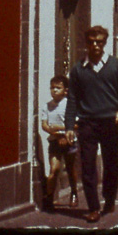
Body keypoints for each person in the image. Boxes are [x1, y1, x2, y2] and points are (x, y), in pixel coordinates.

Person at [65, 26, 118, 223]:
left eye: (100, 42)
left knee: (111, 163)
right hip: (87, 124)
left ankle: (110, 198)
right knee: (87, 165)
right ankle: (94, 208)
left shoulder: (116, 66)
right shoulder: (78, 70)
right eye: (92, 42)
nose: (95, 46)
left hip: (111, 123)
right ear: (86, 43)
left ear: (105, 44)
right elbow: (72, 100)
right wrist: (69, 126)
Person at [40, 75, 78, 210]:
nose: (54, 91)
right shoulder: (47, 106)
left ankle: (74, 192)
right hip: (54, 141)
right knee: (54, 169)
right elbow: (44, 124)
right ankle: (49, 197)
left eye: (58, 88)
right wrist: (53, 132)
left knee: (70, 167)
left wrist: (61, 129)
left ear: (65, 90)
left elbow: (76, 124)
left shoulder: (69, 105)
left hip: (69, 141)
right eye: (52, 88)